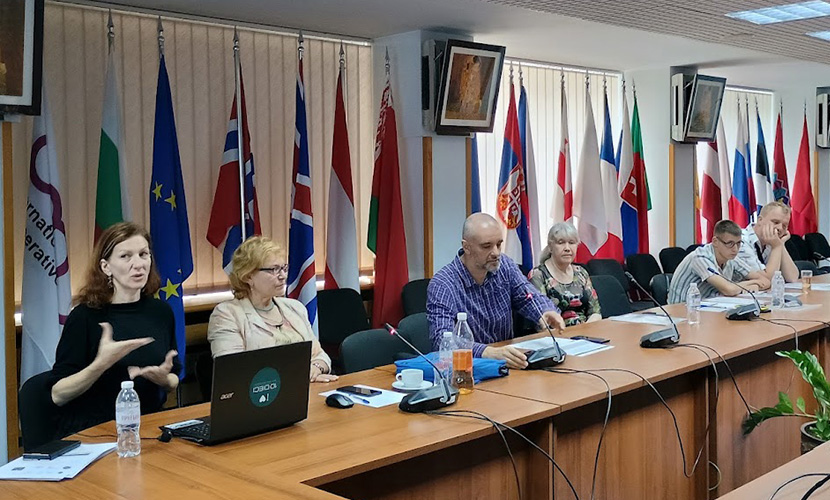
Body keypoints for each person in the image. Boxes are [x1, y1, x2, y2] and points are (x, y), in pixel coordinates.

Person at [47, 222, 181, 437]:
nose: (138, 264)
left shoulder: (160, 311)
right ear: (106, 267)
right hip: (95, 432)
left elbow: (173, 378)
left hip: (149, 428)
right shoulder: (84, 316)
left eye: (143, 254)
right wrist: (101, 363)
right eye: (126, 256)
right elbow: (58, 394)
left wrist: (163, 379)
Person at [427, 213, 566, 369]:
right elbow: (442, 340)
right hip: (470, 370)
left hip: (508, 364)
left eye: (499, 244)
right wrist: (487, 352)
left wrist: (545, 310)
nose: (496, 253)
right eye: (486, 246)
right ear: (466, 247)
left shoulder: (504, 265)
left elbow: (527, 295)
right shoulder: (443, 284)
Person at [207, 236, 337, 383]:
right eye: (274, 270)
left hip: (305, 388)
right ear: (248, 276)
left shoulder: (294, 308)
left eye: (284, 268)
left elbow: (320, 355)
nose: (283, 276)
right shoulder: (227, 314)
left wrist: (315, 368)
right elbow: (232, 370)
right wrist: (298, 375)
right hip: (261, 392)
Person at [668, 220, 770, 304]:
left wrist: (754, 285)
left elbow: (765, 281)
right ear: (715, 242)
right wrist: (753, 283)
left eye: (738, 243)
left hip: (709, 306)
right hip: (682, 311)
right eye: (730, 243)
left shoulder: (731, 257)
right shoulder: (699, 258)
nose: (735, 249)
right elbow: (728, 289)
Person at [529, 222, 601, 326]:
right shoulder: (538, 275)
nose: (567, 248)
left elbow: (595, 312)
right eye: (561, 242)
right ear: (550, 247)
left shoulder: (581, 272)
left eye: (571, 243)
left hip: (585, 331)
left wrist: (586, 330)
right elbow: (541, 320)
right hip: (557, 333)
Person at [736, 201, 799, 283]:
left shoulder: (773, 241)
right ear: (760, 220)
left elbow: (792, 278)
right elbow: (765, 280)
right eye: (775, 222)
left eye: (784, 226)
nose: (780, 228)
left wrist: (781, 244)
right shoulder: (741, 240)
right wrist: (777, 247)